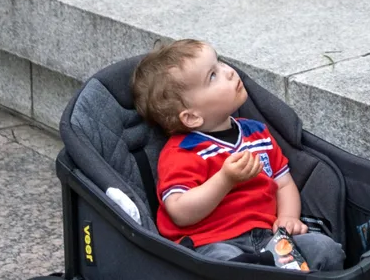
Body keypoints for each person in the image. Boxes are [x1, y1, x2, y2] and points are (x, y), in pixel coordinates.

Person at [131, 40, 346, 270]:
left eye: (220, 62)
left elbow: (283, 183)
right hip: (213, 242)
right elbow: (180, 211)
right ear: (192, 117)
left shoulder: (258, 133)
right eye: (213, 76)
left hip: (269, 240)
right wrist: (225, 179)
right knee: (226, 266)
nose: (230, 71)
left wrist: (288, 217)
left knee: (327, 250)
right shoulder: (182, 152)